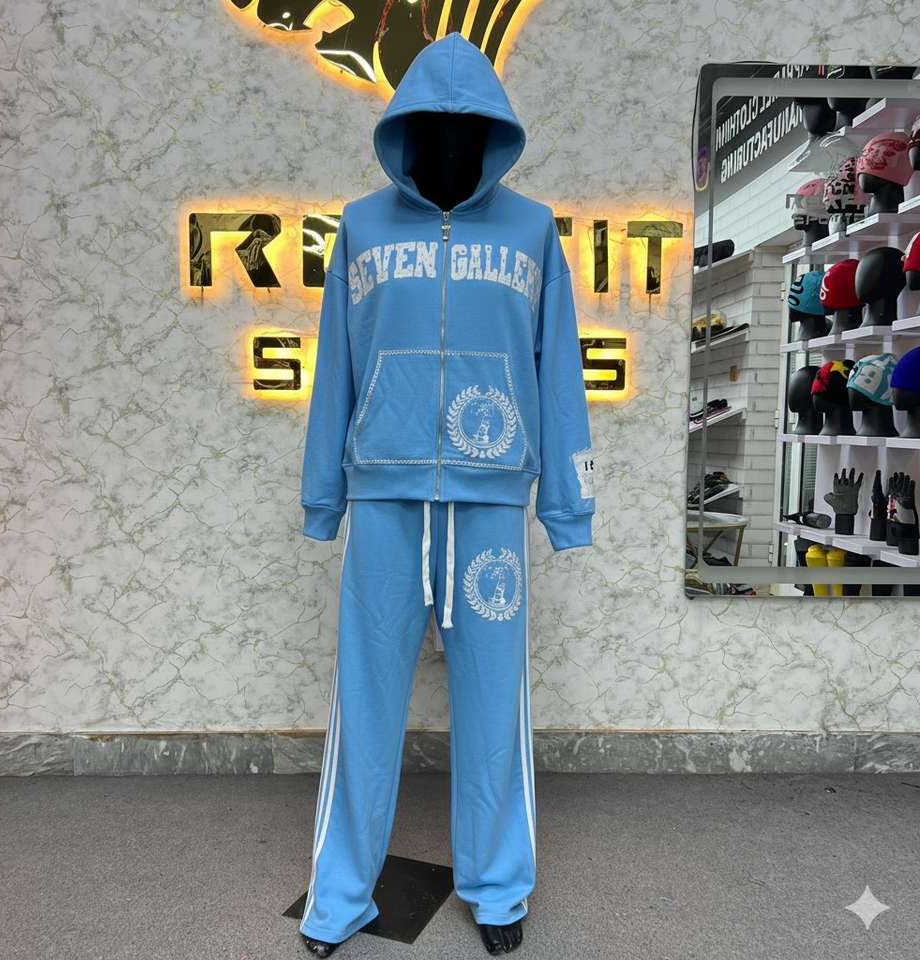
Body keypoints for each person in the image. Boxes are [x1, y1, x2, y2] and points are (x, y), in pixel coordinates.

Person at [298, 32, 595, 957]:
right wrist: (323, 496)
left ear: (494, 136)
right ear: (407, 131)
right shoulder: (361, 227)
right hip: (384, 499)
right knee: (365, 704)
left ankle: (497, 888)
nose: (451, 137)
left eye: (468, 126)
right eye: (433, 123)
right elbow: (336, 371)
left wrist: (568, 505)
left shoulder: (533, 231)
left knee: (494, 702)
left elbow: (559, 374)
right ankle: (339, 895)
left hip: (491, 507)